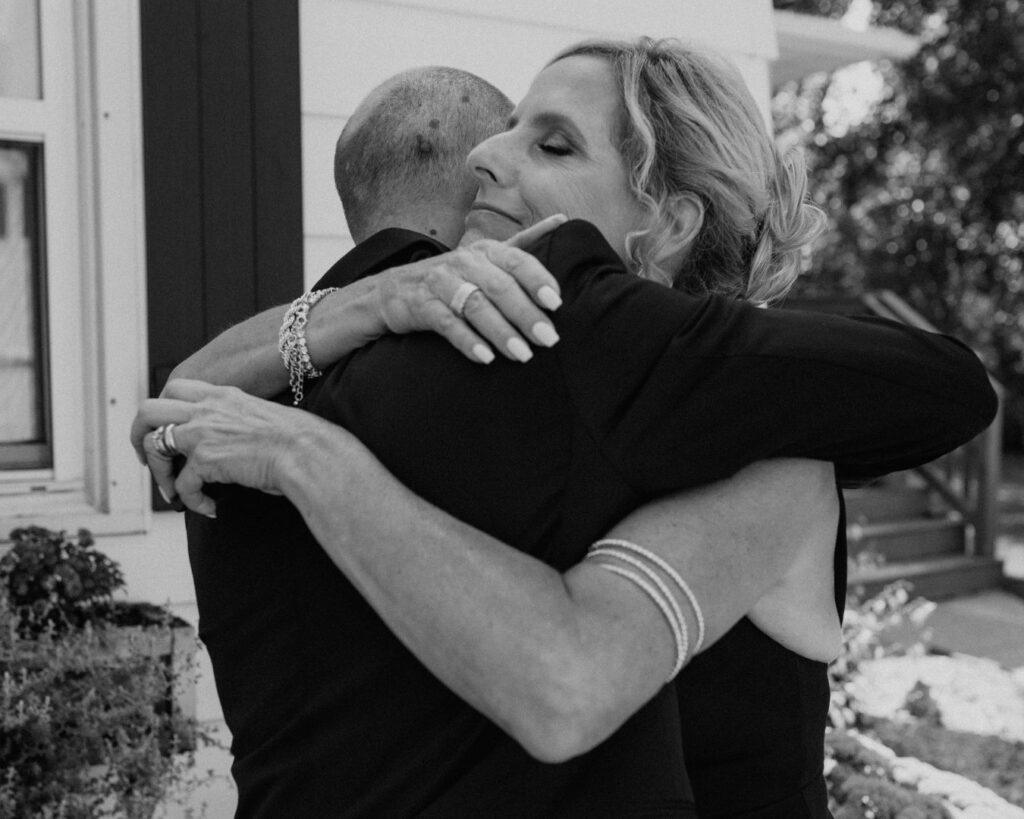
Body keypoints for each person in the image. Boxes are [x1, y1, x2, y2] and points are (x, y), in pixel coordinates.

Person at [134, 41, 997, 817]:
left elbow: (952, 384)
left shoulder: (765, 453)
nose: (484, 159)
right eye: (505, 131)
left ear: (666, 222)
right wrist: (361, 308)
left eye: (551, 144)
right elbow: (175, 405)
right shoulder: (495, 387)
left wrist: (308, 451)